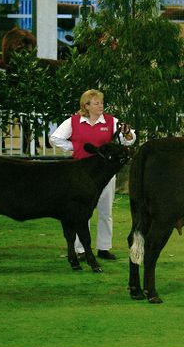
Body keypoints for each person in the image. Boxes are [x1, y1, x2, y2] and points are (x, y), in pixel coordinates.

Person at [50, 89, 136, 261]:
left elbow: (129, 139)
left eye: (101, 103)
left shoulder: (111, 121)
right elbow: (55, 138)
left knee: (106, 210)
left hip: (105, 173)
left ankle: (104, 248)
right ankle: (81, 248)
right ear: (86, 105)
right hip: (81, 173)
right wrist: (75, 147)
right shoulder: (73, 121)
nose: (101, 106)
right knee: (81, 210)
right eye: (96, 103)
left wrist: (127, 133)